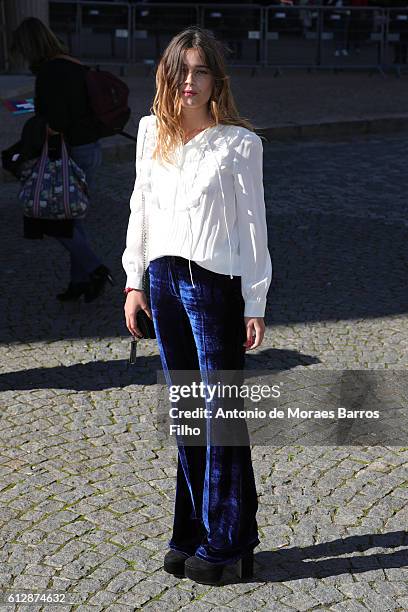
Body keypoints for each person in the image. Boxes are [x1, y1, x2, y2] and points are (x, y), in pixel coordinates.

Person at [122, 26, 272, 585]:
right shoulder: (149, 133)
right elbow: (140, 208)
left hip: (213, 285)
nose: (190, 81)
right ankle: (191, 530)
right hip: (162, 280)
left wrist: (255, 299)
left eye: (201, 71)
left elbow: (253, 227)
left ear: (216, 79)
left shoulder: (238, 143)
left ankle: (228, 539)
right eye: (181, 71)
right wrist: (134, 280)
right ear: (167, 75)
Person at [10, 17, 114, 302]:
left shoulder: (50, 72)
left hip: (71, 153)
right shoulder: (71, 63)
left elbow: (56, 120)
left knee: (54, 219)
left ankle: (95, 269)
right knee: (72, 218)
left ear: (30, 46)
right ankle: (78, 282)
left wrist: (35, 132)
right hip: (89, 148)